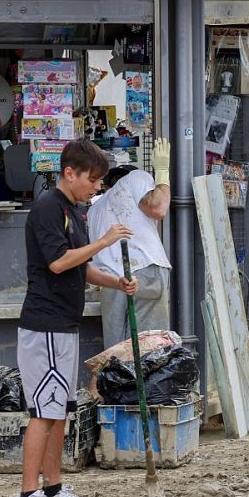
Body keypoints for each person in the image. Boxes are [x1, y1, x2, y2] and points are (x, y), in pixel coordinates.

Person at [13, 138, 138, 497]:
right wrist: (103, 242)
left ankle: (53, 487)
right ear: (71, 173)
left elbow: (81, 268)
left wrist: (115, 282)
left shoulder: (73, 210)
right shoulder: (49, 208)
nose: (97, 187)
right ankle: (27, 495)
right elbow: (58, 263)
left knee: (59, 409)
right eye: (94, 179)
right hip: (44, 323)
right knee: (43, 411)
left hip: (65, 323)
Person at [88, 140, 172, 350]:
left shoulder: (94, 210)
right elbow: (158, 208)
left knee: (117, 353)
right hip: (144, 271)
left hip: (110, 282)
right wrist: (162, 172)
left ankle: (119, 384)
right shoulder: (137, 177)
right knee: (150, 349)